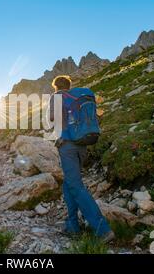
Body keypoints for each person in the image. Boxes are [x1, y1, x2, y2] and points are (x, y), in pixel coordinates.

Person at [49, 75, 115, 243]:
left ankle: (103, 229)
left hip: (67, 146)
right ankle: (72, 226)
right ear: (69, 85)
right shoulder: (77, 96)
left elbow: (52, 118)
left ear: (56, 86)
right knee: (69, 183)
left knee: (76, 186)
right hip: (82, 145)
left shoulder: (57, 97)